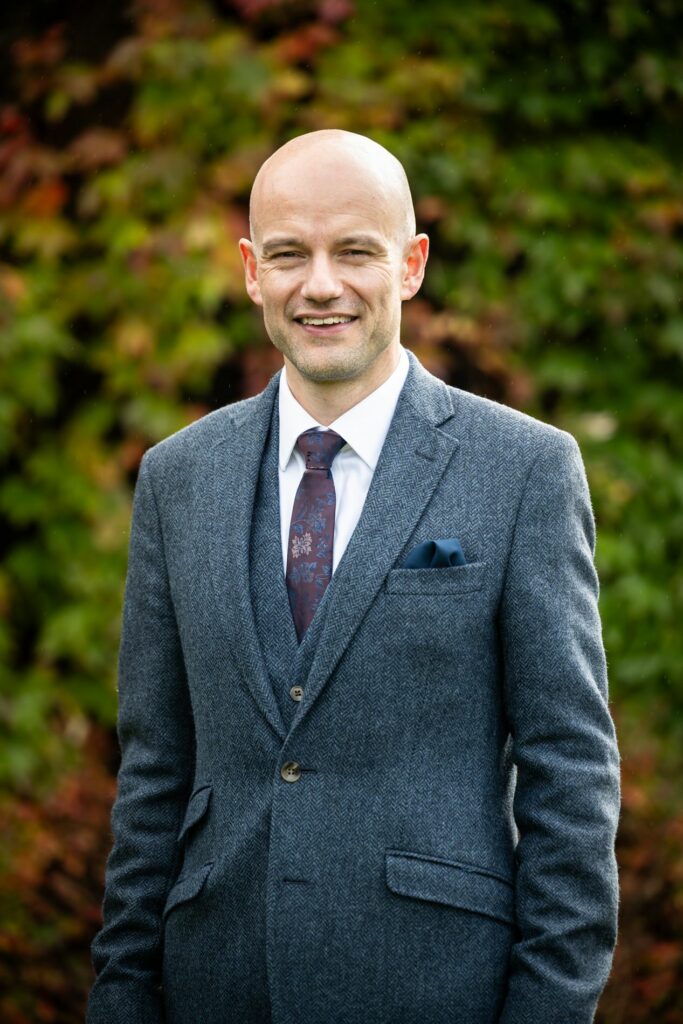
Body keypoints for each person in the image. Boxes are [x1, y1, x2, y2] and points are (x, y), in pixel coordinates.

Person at [87, 130, 620, 1024]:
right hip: (214, 987)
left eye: (355, 252)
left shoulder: (523, 469)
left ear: (409, 265)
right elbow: (153, 772)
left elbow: (569, 772)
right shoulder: (177, 478)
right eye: (290, 254)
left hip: (436, 988)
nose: (321, 284)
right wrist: (121, 998)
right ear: (253, 271)